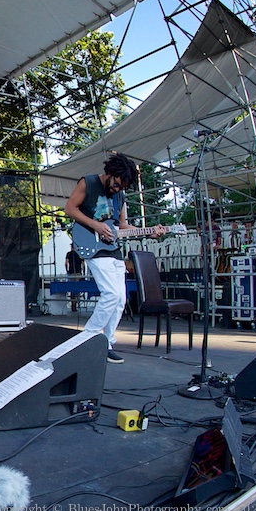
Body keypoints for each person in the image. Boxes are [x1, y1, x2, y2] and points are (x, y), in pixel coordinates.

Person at [64, 153, 165, 364]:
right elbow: (70, 209)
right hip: (92, 244)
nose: (117, 189)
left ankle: (107, 342)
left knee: (120, 299)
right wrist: (96, 225)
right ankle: (87, 338)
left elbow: (122, 226)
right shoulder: (89, 182)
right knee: (110, 294)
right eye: (116, 184)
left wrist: (148, 231)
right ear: (109, 173)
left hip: (112, 248)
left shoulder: (121, 196)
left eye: (122, 187)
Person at [64, 243, 85, 312]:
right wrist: (83, 272)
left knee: (72, 288)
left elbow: (66, 263)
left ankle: (73, 303)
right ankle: (76, 303)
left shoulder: (69, 254)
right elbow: (83, 265)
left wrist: (67, 270)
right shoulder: (80, 254)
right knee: (77, 288)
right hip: (78, 273)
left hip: (71, 273)